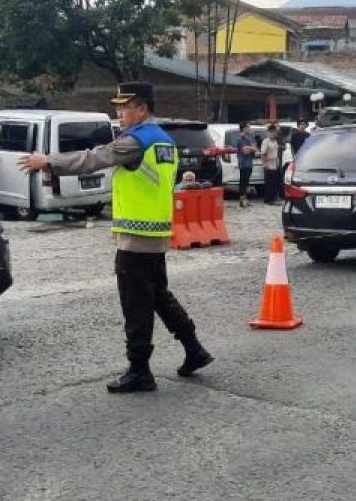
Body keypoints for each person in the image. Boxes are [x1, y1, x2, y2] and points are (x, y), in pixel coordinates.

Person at [18, 82, 213, 393]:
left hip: (137, 236)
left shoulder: (136, 141)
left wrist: (49, 161)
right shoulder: (164, 140)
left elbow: (95, 158)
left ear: (143, 109)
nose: (119, 113)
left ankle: (140, 371)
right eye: (118, 107)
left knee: (136, 304)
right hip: (156, 231)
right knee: (159, 296)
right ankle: (194, 349)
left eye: (125, 107)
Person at [234, 121, 256, 208]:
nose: (250, 129)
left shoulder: (249, 138)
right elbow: (245, 151)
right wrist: (252, 148)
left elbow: (255, 148)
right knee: (243, 181)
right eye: (248, 127)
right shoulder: (240, 138)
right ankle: (241, 200)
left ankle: (245, 199)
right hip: (243, 163)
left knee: (246, 182)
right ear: (244, 128)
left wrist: (251, 148)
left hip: (249, 162)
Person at [260, 124, 282, 204]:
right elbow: (262, 154)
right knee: (269, 183)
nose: (274, 134)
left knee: (275, 182)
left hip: (275, 164)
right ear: (268, 132)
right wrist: (264, 164)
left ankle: (273, 198)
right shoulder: (266, 142)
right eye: (272, 132)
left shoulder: (275, 141)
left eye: (275, 132)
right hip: (269, 165)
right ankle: (268, 200)